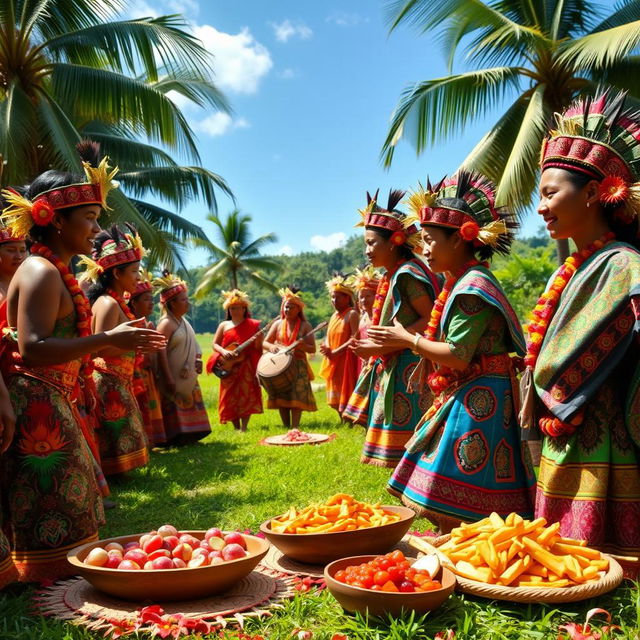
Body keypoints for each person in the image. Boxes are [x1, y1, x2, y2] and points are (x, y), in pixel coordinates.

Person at [0, 147, 165, 581]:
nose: (95, 229)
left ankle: (50, 576)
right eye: (88, 218)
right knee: (51, 498)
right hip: (35, 398)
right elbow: (33, 348)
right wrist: (110, 340)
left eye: (96, 217)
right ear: (54, 219)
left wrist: (115, 343)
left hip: (54, 396)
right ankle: (43, 581)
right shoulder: (39, 270)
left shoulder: (52, 269)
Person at [369, 171, 535, 532]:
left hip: (480, 394)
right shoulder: (460, 282)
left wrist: (407, 339)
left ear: (460, 241)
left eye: (429, 240)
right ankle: (456, 535)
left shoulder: (471, 289)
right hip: (471, 387)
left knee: (458, 471)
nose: (424, 248)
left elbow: (457, 355)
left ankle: (463, 537)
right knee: (444, 466)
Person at [517, 89, 640, 562]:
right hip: (563, 418)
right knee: (559, 554)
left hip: (603, 421)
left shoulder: (625, 263)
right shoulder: (569, 269)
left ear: (592, 192)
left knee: (597, 556)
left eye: (550, 194)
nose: (542, 208)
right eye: (539, 196)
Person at [343, 190, 440, 467]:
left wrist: (383, 345)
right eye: (366, 244)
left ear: (395, 242)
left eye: (372, 243)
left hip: (410, 363)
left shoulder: (408, 274)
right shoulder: (395, 273)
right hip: (399, 359)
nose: (367, 250)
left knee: (412, 450)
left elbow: (431, 317)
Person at [83, 225, 150, 475]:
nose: (138, 278)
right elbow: (98, 347)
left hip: (116, 379)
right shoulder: (109, 303)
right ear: (117, 273)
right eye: (134, 271)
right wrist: (134, 342)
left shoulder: (113, 300)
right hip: (108, 379)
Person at [154, 272, 211, 443]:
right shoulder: (166, 324)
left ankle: (194, 432)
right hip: (172, 374)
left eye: (187, 299)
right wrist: (168, 377)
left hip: (188, 374)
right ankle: (175, 436)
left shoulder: (183, 322)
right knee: (173, 401)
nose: (188, 303)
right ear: (171, 304)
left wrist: (198, 360)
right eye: (183, 300)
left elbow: (195, 345)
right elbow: (160, 350)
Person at [208, 289, 264, 432]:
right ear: (228, 309)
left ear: (244, 308)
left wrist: (259, 339)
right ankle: (236, 427)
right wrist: (224, 351)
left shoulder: (253, 325)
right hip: (228, 366)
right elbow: (215, 344)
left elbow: (258, 348)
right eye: (233, 308)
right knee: (230, 396)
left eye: (239, 308)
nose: (236, 311)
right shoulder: (224, 325)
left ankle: (244, 427)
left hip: (246, 365)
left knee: (247, 394)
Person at [262, 287, 317, 428]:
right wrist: (271, 347)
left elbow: (312, 348)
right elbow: (265, 342)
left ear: (298, 309)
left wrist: (301, 346)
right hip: (279, 365)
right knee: (282, 396)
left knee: (296, 397)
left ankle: (295, 426)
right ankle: (286, 426)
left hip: (298, 365)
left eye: (292, 307)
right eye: (286, 307)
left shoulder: (306, 326)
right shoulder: (277, 324)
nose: (288, 310)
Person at [129, 272, 166, 447]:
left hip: (148, 375)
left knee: (150, 406)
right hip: (132, 374)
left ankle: (151, 441)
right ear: (133, 303)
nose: (151, 303)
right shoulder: (128, 325)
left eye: (152, 299)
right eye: (146, 299)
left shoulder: (150, 325)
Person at [319, 274, 360, 418]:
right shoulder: (333, 316)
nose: (334, 300)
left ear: (347, 298)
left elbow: (354, 338)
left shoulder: (352, 314)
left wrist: (336, 352)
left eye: (337, 297)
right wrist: (326, 347)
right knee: (335, 391)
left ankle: (348, 418)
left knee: (346, 389)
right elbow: (329, 335)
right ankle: (341, 418)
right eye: (332, 297)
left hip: (346, 359)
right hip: (333, 358)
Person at [348, 266, 381, 375]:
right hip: (363, 363)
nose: (364, 300)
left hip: (378, 362)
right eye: (361, 297)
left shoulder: (381, 317)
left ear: (377, 297)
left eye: (368, 296)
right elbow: (357, 337)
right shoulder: (362, 317)